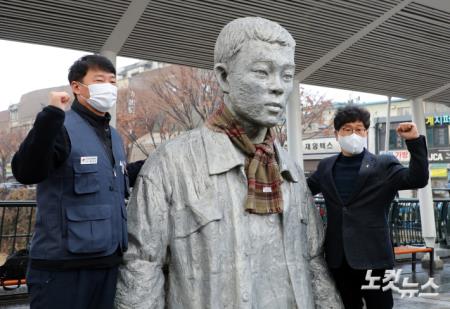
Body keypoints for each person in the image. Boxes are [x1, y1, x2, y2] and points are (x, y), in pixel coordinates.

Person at [115, 17, 343, 309]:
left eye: (287, 75)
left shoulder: (290, 173)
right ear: (224, 77)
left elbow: (313, 263)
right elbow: (142, 267)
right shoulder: (171, 165)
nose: (278, 87)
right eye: (262, 72)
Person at [12, 54, 143, 309]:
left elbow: (116, 180)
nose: (109, 86)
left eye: (112, 81)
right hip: (63, 270)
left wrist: (157, 161)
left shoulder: (113, 135)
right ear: (76, 87)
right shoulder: (60, 127)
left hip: (107, 264)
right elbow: (26, 172)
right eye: (99, 80)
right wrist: (50, 115)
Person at [307, 105, 429, 309]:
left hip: (375, 257)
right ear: (336, 134)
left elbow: (418, 178)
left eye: (359, 129)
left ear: (365, 133)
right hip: (338, 258)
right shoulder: (325, 166)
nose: (353, 134)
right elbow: (302, 191)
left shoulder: (383, 164)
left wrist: (414, 141)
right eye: (347, 129)